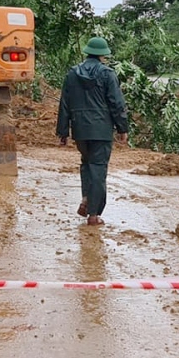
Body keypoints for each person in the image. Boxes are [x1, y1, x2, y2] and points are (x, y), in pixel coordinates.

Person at [56, 37, 129, 226]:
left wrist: (63, 131)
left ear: (88, 52)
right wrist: (123, 128)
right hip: (101, 129)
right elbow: (116, 103)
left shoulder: (72, 74)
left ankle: (86, 199)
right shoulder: (107, 74)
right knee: (98, 169)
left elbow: (64, 103)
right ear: (103, 55)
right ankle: (94, 214)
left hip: (80, 129)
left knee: (86, 164)